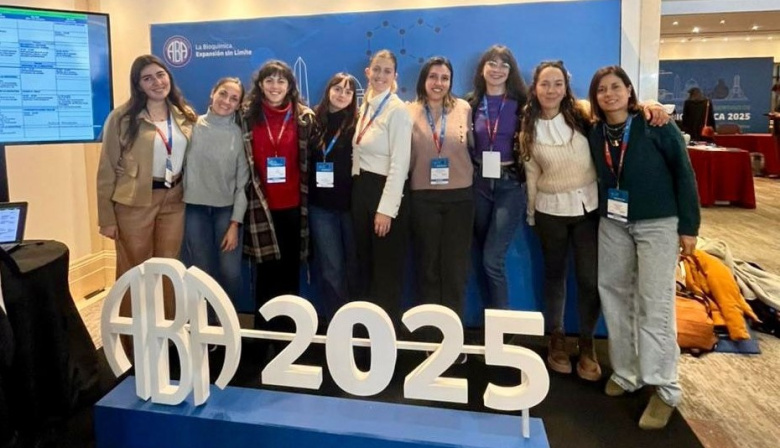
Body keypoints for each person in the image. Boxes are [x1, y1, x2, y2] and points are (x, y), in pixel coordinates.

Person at [587, 65, 700, 430]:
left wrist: (689, 226)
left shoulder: (657, 124)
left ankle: (665, 388)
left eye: (615, 87)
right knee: (615, 295)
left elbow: (684, 173)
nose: (609, 94)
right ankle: (627, 373)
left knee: (655, 303)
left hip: (658, 222)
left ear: (629, 90)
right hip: (613, 222)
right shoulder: (595, 131)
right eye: (602, 89)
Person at [97, 54, 196, 318]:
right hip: (135, 202)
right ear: (138, 85)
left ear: (169, 77)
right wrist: (106, 219)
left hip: (174, 199)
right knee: (134, 270)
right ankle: (132, 336)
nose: (157, 82)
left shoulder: (184, 115)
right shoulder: (121, 118)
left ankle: (167, 332)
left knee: (168, 268)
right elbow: (106, 169)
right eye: (147, 78)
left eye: (160, 75)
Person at [519, 60, 601, 381]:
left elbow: (622, 110)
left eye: (557, 83)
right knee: (555, 277)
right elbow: (531, 174)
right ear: (535, 87)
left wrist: (651, 106)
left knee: (589, 280)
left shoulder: (583, 113)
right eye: (545, 84)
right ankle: (556, 338)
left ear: (566, 87)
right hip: (549, 211)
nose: (551, 90)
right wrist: (531, 213)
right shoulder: (528, 124)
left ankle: (587, 343)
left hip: (587, 209)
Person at [241, 60, 314, 330]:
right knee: (265, 274)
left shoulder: (303, 118)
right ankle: (263, 335)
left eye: (281, 81)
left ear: (290, 86)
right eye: (269, 80)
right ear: (260, 85)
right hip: (259, 207)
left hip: (294, 206)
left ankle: (289, 334)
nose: (275, 86)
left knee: (290, 272)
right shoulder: (247, 116)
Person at [407, 56, 473, 353]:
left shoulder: (464, 108)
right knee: (428, 268)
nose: (438, 83)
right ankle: (430, 338)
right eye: (433, 76)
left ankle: (453, 341)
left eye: (445, 78)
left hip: (460, 198)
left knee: (455, 271)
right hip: (422, 197)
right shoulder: (408, 111)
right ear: (424, 79)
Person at [351, 49, 413, 324]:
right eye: (376, 69)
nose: (380, 75)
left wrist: (386, 210)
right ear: (368, 72)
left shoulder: (397, 110)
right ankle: (366, 330)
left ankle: (387, 333)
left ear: (395, 76)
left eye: (387, 71)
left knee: (386, 270)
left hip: (384, 193)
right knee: (365, 264)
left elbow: (400, 164)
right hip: (361, 189)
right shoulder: (366, 105)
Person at [466, 45, 526, 323]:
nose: (497, 69)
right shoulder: (470, 104)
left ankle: (501, 328)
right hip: (478, 182)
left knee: (492, 259)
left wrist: (648, 106)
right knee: (481, 257)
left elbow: (572, 106)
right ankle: (489, 321)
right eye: (492, 63)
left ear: (511, 71)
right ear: (482, 69)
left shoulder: (523, 104)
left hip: (509, 185)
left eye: (504, 64)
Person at [181, 77, 249, 306]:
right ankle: (206, 323)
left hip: (226, 213)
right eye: (223, 94)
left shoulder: (239, 135)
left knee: (231, 272)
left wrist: (235, 224)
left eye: (234, 98)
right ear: (213, 93)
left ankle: (228, 320)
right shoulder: (190, 127)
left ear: (239, 105)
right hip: (194, 210)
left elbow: (243, 184)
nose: (226, 101)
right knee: (202, 272)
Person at [307, 73, 360, 322]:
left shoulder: (358, 124)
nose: (342, 94)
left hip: (351, 207)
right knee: (331, 270)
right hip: (321, 209)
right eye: (338, 88)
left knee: (354, 268)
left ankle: (357, 324)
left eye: (348, 91)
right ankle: (338, 324)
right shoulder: (312, 122)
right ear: (328, 90)